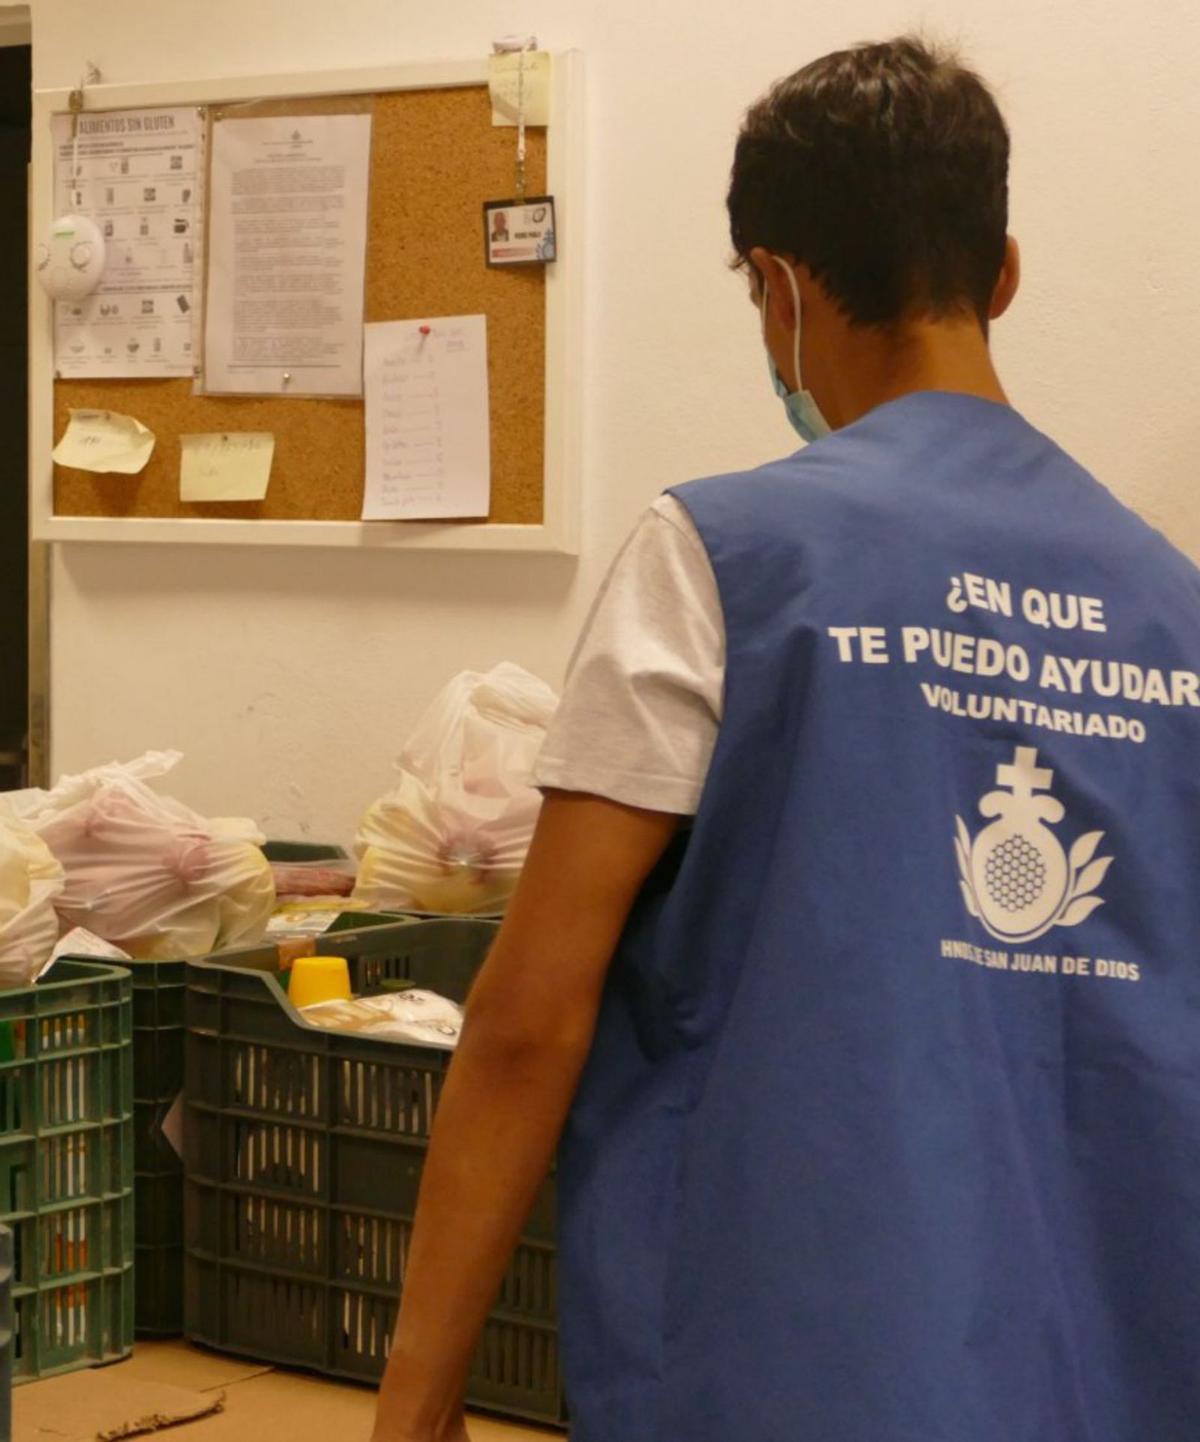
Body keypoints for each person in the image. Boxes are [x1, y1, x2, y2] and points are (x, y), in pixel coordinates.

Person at [371, 36, 1200, 1442]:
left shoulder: (719, 558)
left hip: (791, 1366)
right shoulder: (1170, 607)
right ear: (1004, 275)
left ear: (781, 289)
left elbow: (528, 1018)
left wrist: (416, 1402)